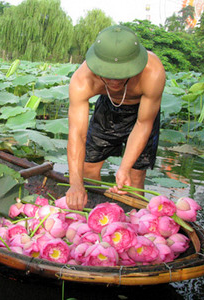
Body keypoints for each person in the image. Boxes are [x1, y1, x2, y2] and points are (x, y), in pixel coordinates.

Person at [66, 25, 166, 211]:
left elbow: (144, 124)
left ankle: (136, 220)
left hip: (141, 114)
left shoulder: (153, 72)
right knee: (87, 169)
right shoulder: (82, 80)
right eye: (108, 76)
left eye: (121, 76)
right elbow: (77, 133)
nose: (114, 82)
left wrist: (124, 168)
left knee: (135, 176)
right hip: (107, 108)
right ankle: (97, 211)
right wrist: (75, 184)